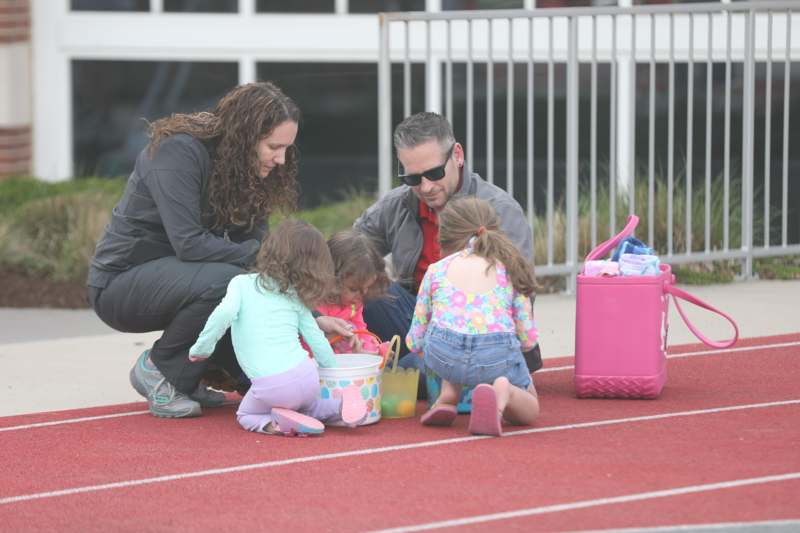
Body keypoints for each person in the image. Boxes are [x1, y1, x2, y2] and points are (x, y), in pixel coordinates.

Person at [86, 81, 356, 419]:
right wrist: (254, 259)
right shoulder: (178, 152)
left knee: (242, 280)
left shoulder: (245, 171)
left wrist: (315, 317)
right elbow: (189, 243)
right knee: (229, 280)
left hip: (179, 278)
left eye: (287, 148)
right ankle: (160, 369)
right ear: (245, 137)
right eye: (274, 146)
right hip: (119, 285)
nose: (282, 159)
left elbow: (264, 262)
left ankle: (193, 376)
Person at [354, 111, 542, 377]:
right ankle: (421, 371)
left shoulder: (500, 209)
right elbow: (349, 253)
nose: (427, 187)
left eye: (434, 173)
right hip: (419, 323)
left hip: (481, 329)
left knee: (414, 371)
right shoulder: (397, 204)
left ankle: (421, 372)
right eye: (413, 179)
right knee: (371, 288)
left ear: (457, 155)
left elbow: (521, 293)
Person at [188, 220, 368, 436]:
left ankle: (277, 423)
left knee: (246, 414)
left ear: (268, 251)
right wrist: (333, 369)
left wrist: (202, 349)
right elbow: (317, 339)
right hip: (307, 375)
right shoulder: (296, 298)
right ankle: (340, 406)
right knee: (309, 406)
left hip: (271, 385)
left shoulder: (240, 284)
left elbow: (223, 314)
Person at [406, 197, 540, 436]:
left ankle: (448, 396)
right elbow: (528, 339)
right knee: (530, 407)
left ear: (443, 238)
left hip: (443, 356)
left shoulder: (436, 270)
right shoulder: (509, 269)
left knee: (452, 330)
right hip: (493, 358)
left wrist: (424, 352)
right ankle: (505, 392)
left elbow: (415, 337)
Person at [315, 230, 392, 355]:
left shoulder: (354, 302)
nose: (361, 295)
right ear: (333, 278)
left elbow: (360, 329)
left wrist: (371, 349)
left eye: (367, 287)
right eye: (354, 289)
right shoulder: (319, 303)